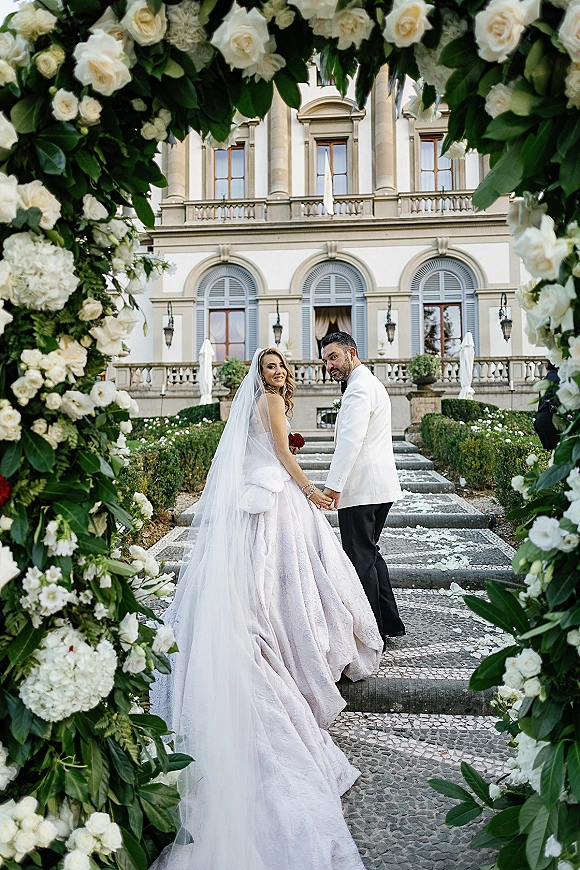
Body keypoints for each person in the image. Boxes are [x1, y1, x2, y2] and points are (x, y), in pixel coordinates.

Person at [151, 347, 382, 870]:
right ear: (260, 375)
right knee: (292, 578)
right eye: (270, 367)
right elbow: (282, 454)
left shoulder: (264, 402)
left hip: (260, 498)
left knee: (283, 575)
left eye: (281, 367)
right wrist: (314, 494)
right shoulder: (271, 404)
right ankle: (297, 642)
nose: (278, 372)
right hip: (276, 497)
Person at [321, 332, 405, 643]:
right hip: (379, 488)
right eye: (326, 360)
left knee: (359, 558)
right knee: (369, 554)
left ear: (351, 353)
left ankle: (371, 633)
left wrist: (333, 487)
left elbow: (350, 442)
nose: (330, 365)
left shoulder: (358, 389)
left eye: (334, 357)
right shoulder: (369, 383)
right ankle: (390, 621)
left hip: (361, 489)